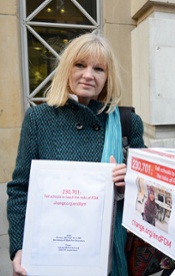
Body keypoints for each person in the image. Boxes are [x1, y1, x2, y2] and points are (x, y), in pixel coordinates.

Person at [6, 33, 145, 276]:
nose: (88, 75)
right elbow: (20, 188)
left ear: (108, 77)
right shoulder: (38, 119)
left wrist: (126, 186)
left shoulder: (128, 123)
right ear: (67, 69)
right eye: (80, 65)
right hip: (52, 252)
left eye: (99, 69)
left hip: (107, 255)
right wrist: (19, 247)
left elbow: (146, 194)